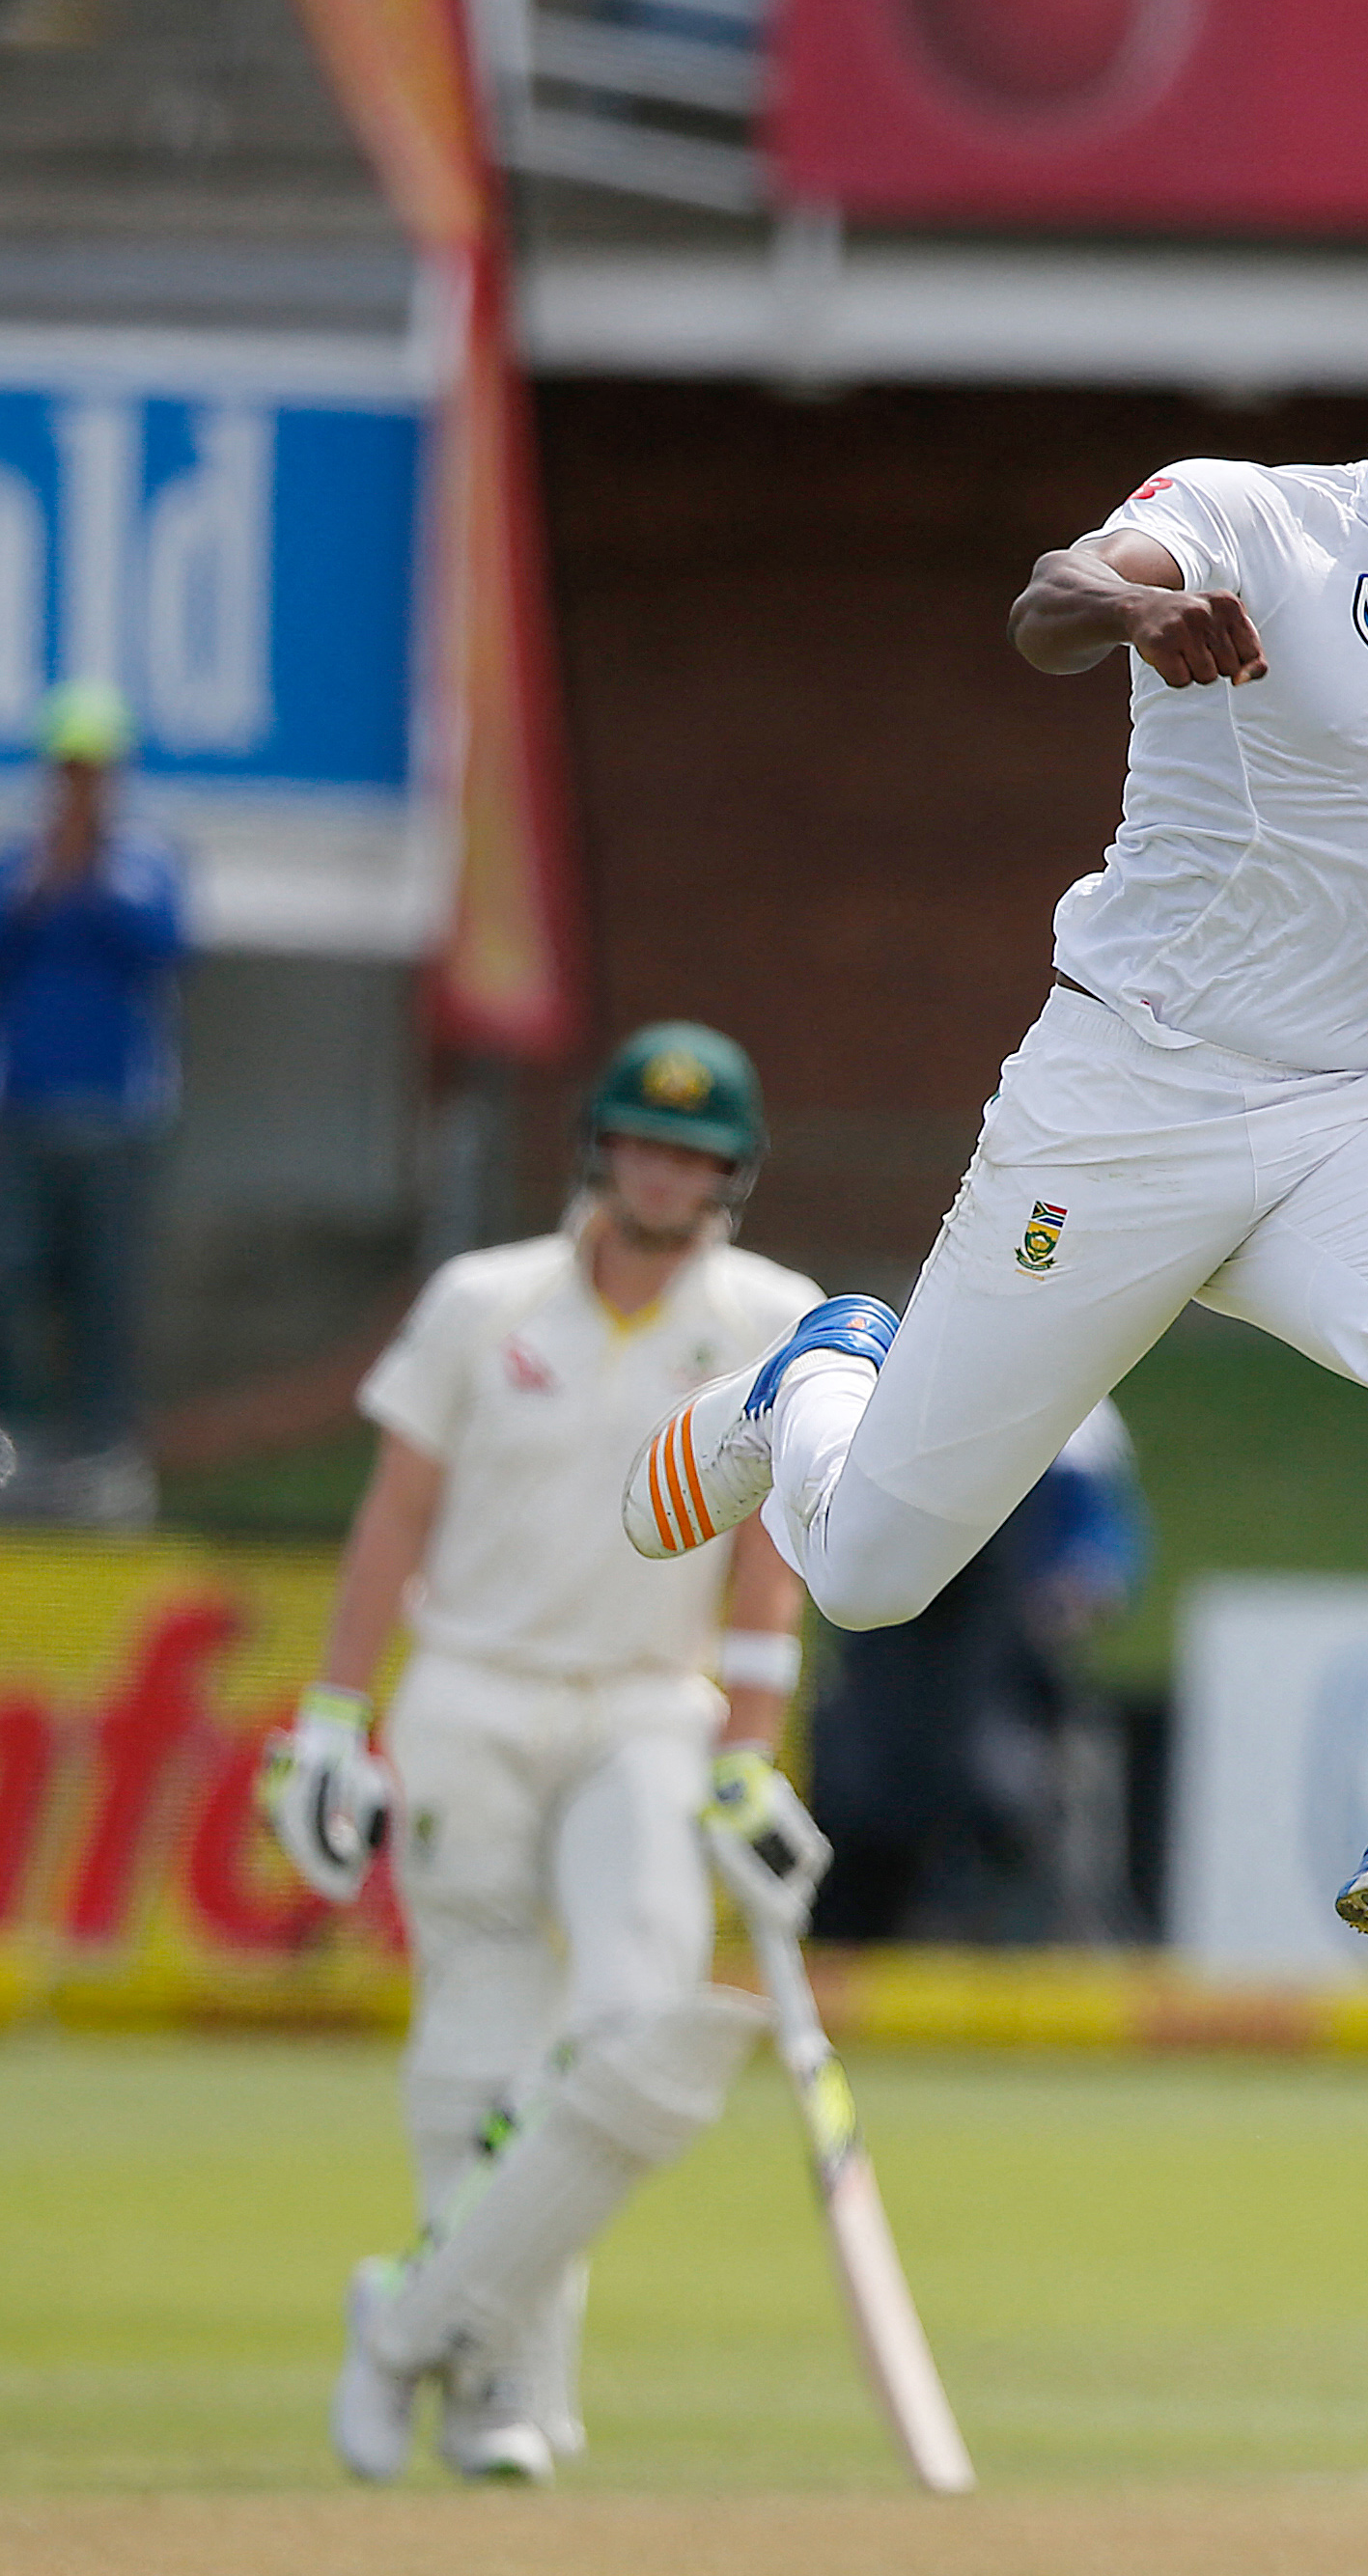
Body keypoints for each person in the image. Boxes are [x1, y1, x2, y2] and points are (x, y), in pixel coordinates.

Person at [627, 265, 1368, 1956]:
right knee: (871, 1572)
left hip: (1359, 1113)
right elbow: (1051, 596)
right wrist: (1136, 610)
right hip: (1134, 1087)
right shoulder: (1258, 521)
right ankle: (816, 1383)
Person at [257, 1022, 829, 2484]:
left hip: (651, 1704)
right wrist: (334, 1712)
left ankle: (407, 2326)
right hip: (470, 1688)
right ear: (600, 1147)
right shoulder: (480, 1298)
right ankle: (503, 2378)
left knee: (636, 2024)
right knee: (481, 2040)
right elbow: (393, 1513)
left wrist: (749, 1753)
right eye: (646, 1139)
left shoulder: (775, 1315)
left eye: (697, 1152)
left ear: (734, 1173)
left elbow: (771, 1554)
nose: (666, 1170)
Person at [0, 681, 187, 1514]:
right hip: (16, 1116)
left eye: (95, 771)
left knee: (105, 1292)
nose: (80, 787)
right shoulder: (13, 861)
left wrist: (95, 880)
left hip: (116, 1120)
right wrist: (44, 882)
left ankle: (101, 1460)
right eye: (67, 770)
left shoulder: (147, 863)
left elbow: (163, 949)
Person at [808, 1398, 1146, 1942]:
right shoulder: (878, 1389)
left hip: (1005, 1671)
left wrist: (1070, 1595)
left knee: (1007, 1810)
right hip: (888, 1677)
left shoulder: (1078, 1410)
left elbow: (1102, 1545)